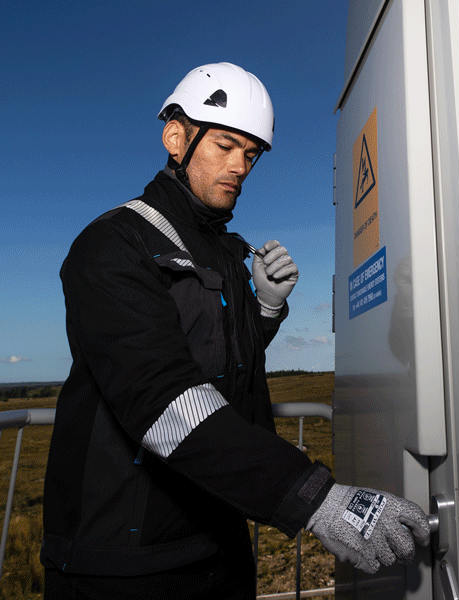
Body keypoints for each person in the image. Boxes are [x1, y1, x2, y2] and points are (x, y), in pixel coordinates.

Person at [41, 62, 430, 599]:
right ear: (176, 138)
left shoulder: (227, 252)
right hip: (124, 562)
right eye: (225, 146)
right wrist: (316, 499)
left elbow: (223, 367)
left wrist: (266, 310)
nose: (240, 166)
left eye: (251, 154)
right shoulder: (112, 245)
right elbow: (162, 399)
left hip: (219, 538)